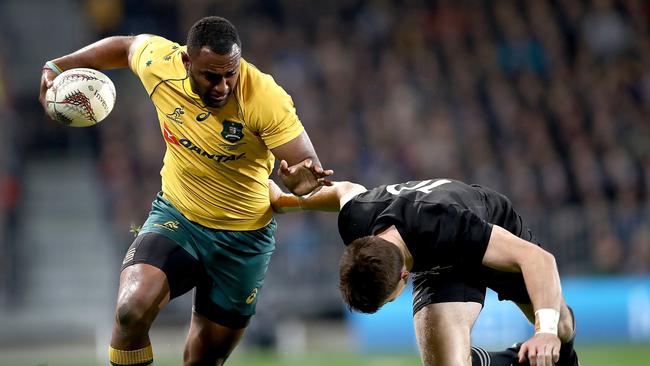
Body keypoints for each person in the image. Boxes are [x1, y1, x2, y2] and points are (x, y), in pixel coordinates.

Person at [39, 17, 332, 366]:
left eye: (230, 74)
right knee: (130, 310)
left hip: (243, 239)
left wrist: (299, 183)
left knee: (203, 359)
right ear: (187, 62)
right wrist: (57, 66)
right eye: (211, 76)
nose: (223, 86)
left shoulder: (266, 97)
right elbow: (125, 46)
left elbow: (305, 166)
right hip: (178, 217)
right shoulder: (160, 63)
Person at [269, 178, 580, 366]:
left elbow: (539, 259)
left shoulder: (448, 223)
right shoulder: (357, 220)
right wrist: (286, 202)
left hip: (489, 230)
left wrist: (545, 332)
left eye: (389, 300)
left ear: (404, 276)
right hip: (435, 255)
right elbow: (344, 191)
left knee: (560, 327)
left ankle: (556, 350)